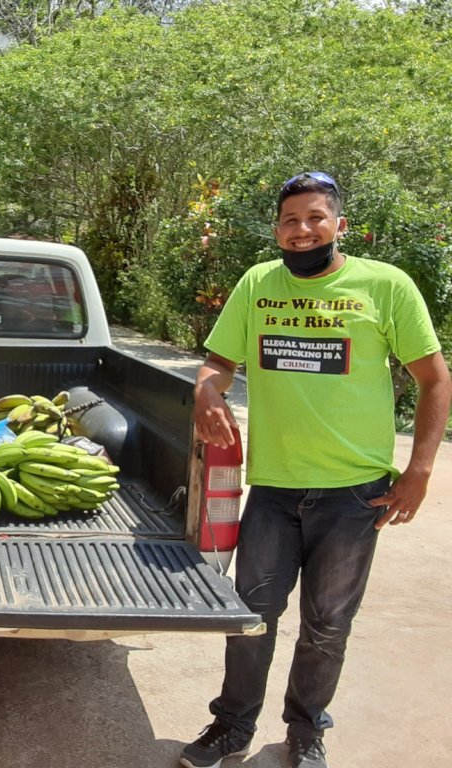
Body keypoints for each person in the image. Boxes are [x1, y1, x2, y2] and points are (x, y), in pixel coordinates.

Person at [180, 172, 451, 768]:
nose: (301, 231)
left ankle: (305, 732)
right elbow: (218, 363)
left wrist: (421, 469)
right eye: (289, 221)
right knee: (251, 615)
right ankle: (231, 727)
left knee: (327, 625)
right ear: (276, 229)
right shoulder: (258, 284)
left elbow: (434, 380)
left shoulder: (385, 286)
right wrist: (206, 390)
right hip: (275, 488)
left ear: (339, 225)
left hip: (355, 496)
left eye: (314, 218)